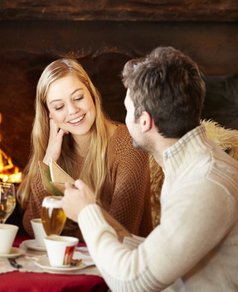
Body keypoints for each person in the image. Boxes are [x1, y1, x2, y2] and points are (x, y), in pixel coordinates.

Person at [62, 47, 238, 291]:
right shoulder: (190, 165)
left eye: (126, 110)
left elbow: (132, 282)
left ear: (144, 121)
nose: (124, 118)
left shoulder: (204, 185)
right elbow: (169, 250)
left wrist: (86, 212)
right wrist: (104, 222)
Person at [17, 58, 153, 242]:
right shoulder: (57, 152)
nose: (73, 110)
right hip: (70, 262)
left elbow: (120, 234)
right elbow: (34, 228)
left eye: (78, 97)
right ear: (50, 114)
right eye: (59, 106)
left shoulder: (128, 145)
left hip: (120, 265)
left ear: (91, 93)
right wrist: (48, 164)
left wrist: (64, 233)